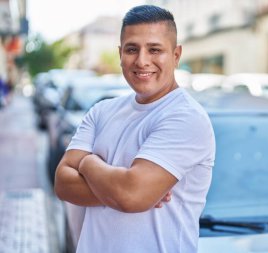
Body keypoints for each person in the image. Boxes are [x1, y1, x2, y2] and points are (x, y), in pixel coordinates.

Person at [54, 4, 215, 253]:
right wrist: (120, 191)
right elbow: (62, 183)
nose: (142, 60)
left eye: (154, 49)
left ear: (176, 55)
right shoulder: (101, 111)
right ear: (120, 54)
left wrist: (87, 164)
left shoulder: (186, 117)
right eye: (132, 49)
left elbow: (130, 195)